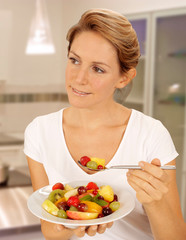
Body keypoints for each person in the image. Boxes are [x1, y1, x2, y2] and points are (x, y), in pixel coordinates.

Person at [24, 8, 186, 240]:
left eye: (98, 69)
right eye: (75, 60)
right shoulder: (39, 132)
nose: (79, 78)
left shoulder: (151, 134)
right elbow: (49, 229)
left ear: (124, 78)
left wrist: (156, 201)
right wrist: (75, 225)